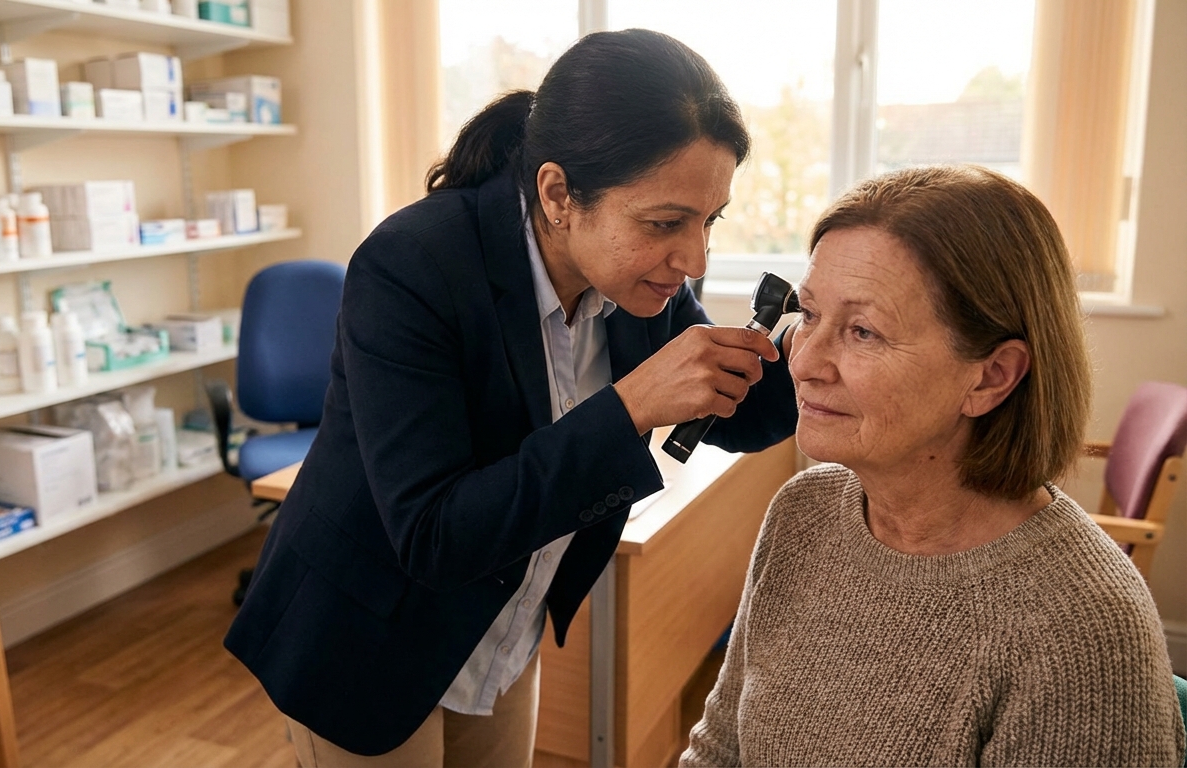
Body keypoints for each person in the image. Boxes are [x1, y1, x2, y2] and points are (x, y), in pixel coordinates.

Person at [223, 29, 799, 767]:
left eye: (708, 221)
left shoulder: (638, 282)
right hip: (368, 636)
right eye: (664, 223)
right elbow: (434, 535)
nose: (693, 259)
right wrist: (627, 409)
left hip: (498, 624)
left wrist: (811, 346)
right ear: (559, 194)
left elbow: (738, 411)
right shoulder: (412, 268)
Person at [681, 165, 1187, 767]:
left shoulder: (1080, 634)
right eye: (809, 315)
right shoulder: (804, 511)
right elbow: (719, 751)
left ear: (992, 376)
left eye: (864, 332)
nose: (804, 361)